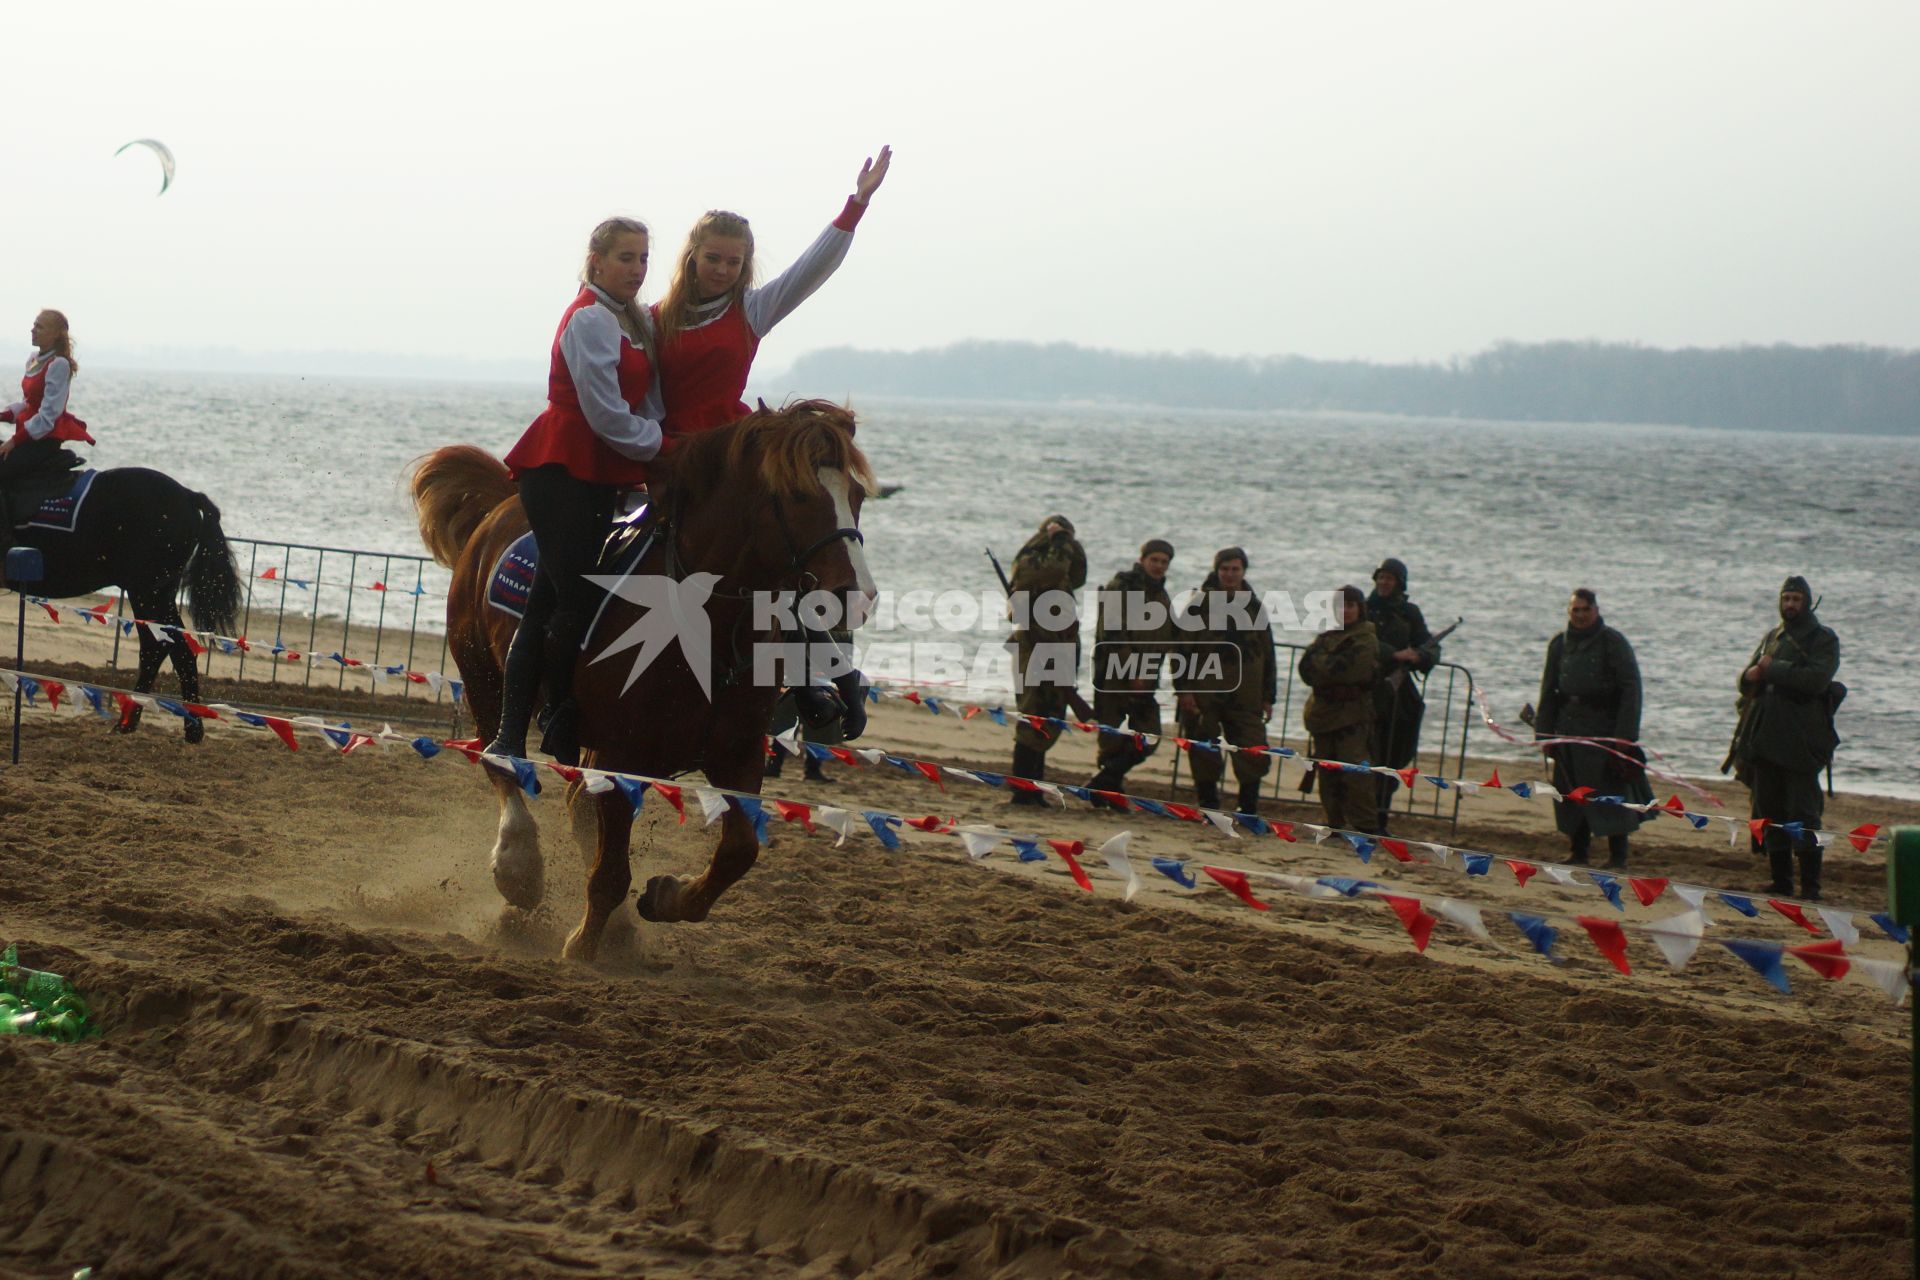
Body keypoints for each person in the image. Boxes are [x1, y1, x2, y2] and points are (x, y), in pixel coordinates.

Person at [487, 218, 665, 767]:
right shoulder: (589, 318)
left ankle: (521, 728)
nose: (637, 269)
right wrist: (663, 447)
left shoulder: (634, 319)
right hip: (561, 464)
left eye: (643, 259)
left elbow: (649, 400)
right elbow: (606, 413)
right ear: (596, 261)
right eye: (626, 258)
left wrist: (664, 436)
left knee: (554, 594)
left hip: (604, 469)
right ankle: (547, 717)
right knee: (569, 595)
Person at [652, 147, 891, 440]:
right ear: (693, 256)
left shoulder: (752, 309)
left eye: (733, 262)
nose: (722, 270)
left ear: (745, 264)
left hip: (730, 447)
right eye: (713, 259)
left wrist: (858, 202)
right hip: (664, 446)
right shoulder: (654, 317)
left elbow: (810, 270)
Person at [1731, 575, 1840, 900]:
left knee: (1804, 813)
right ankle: (1781, 881)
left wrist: (1772, 669)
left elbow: (1817, 680)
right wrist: (1748, 677)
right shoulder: (1773, 637)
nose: (1790, 604)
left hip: (1801, 742)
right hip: (1764, 737)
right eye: (1786, 598)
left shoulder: (1822, 639)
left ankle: (1810, 886)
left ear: (1807, 603)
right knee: (1769, 811)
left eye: (1796, 599)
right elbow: (1751, 675)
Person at [1532, 588, 1652, 869]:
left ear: (1596, 610)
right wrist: (1545, 734)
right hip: (1568, 729)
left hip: (1604, 730)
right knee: (1572, 793)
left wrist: (1624, 735)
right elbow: (1548, 691)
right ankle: (1579, 852)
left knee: (1612, 794)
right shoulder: (1559, 644)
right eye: (1576, 610)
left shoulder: (1613, 642)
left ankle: (1618, 856)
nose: (1581, 615)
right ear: (1569, 612)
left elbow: (1631, 689)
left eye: (1586, 609)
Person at [1175, 547, 1276, 815]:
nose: (1229, 575)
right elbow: (1181, 649)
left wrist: (1268, 696)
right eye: (1225, 569)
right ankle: (1209, 807)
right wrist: (1183, 690)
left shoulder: (1254, 607)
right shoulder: (1199, 604)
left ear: (1243, 571)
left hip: (1246, 695)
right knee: (1203, 751)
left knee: (1252, 751)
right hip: (1205, 692)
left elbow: (1268, 653)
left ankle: (1248, 808)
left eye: (1235, 569)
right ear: (1217, 570)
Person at [1087, 539, 1177, 800]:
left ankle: (1101, 784)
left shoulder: (1161, 595)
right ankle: (1107, 793)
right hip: (1114, 675)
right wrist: (1132, 671)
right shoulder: (1122, 587)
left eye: (1164, 562)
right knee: (1111, 740)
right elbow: (1112, 633)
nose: (1159, 566)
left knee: (1148, 736)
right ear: (1142, 560)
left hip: (1145, 679)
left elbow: (1167, 636)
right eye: (1154, 560)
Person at [1007, 513, 1087, 806]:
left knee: (1050, 718)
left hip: (1059, 647)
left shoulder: (1059, 569)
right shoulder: (1031, 562)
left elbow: (1078, 575)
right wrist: (1058, 540)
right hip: (1035, 648)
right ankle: (1022, 790)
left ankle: (1034, 788)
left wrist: (1068, 543)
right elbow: (1052, 569)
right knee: (1032, 718)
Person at [0, 310, 95, 549]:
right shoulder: (34, 359)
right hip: (26, 437)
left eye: (40, 327)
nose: (33, 330)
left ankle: (4, 546)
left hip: (42, 440)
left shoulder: (59, 364)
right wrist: (3, 415)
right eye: (34, 325)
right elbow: (28, 403)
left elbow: (48, 415)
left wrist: (14, 441)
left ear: (55, 334)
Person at [1298, 585, 1380, 834]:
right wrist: (1326, 666)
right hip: (1323, 714)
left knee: (1356, 774)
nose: (1345, 611)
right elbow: (1305, 668)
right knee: (1327, 772)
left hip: (1351, 717)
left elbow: (1350, 670)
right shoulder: (1327, 637)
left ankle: (1365, 828)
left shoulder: (1365, 637)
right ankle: (1334, 822)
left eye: (1350, 606)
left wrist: (1324, 664)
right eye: (1340, 606)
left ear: (1359, 608)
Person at [1366, 557, 1438, 831]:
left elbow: (1429, 645)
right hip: (1369, 686)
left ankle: (1381, 815)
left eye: (1389, 578)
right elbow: (1362, 639)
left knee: (1394, 754)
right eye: (1380, 577)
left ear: (1399, 583)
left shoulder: (1409, 612)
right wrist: (1392, 653)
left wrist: (1419, 656)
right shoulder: (1365, 608)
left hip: (1397, 694)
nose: (1384, 583)